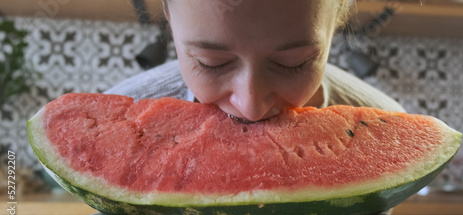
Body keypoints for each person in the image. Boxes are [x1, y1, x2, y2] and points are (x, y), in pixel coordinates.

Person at [105, 0, 405, 123]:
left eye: (293, 63)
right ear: (169, 19)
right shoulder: (115, 121)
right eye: (212, 63)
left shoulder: (385, 124)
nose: (251, 107)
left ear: (338, 20)